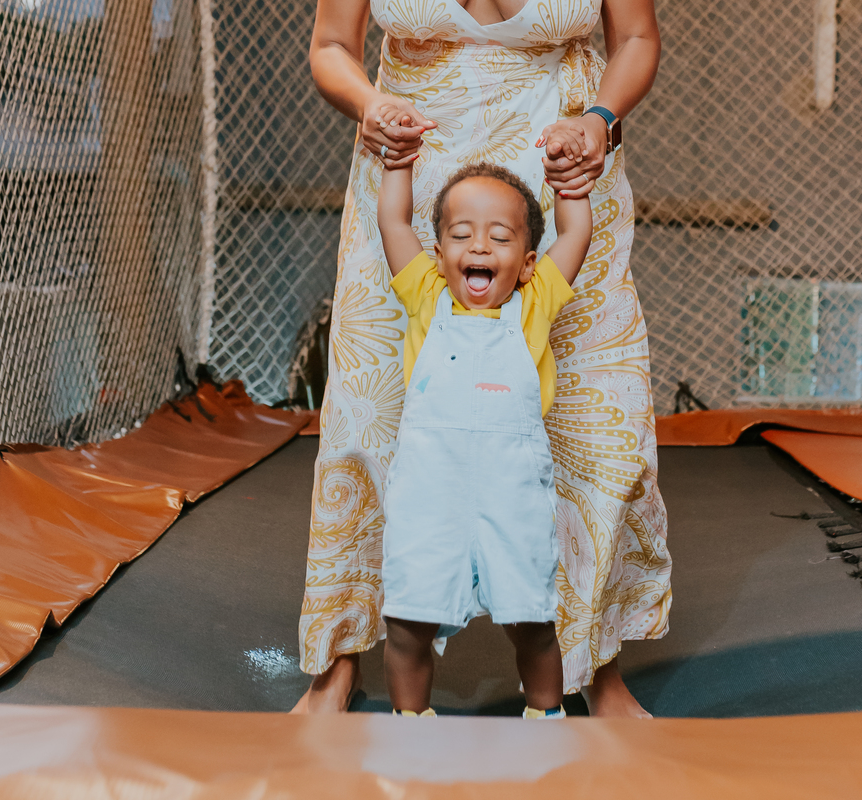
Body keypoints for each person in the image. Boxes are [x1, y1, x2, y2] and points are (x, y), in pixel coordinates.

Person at [296, 0, 671, 717]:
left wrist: (599, 119)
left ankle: (600, 668)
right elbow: (331, 47)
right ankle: (338, 660)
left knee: (599, 424)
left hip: (563, 169)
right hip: (413, 164)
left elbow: (638, 38)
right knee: (366, 419)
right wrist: (371, 105)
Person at [375, 108, 593, 717]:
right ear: (440, 253)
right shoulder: (426, 295)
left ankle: (545, 714)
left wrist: (567, 173)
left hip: (511, 492)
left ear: (526, 262)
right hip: (430, 491)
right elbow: (393, 218)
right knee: (408, 620)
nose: (479, 245)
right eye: (462, 234)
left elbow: (574, 234)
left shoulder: (534, 302)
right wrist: (399, 160)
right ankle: (409, 722)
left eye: (500, 238)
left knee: (531, 619)